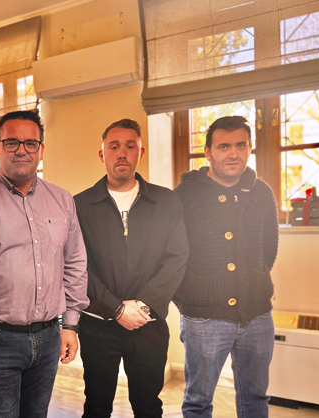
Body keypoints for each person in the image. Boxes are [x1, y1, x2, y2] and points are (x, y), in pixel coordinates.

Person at [0, 110, 88, 418]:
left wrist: (70, 324)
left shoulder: (62, 199)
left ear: (41, 150)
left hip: (49, 337)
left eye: (30, 143)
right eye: (11, 142)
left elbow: (75, 263)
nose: (22, 150)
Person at [74, 119, 188, 418]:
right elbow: (77, 266)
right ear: (102, 154)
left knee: (148, 406)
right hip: (98, 324)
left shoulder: (165, 201)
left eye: (130, 146)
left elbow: (177, 258)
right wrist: (116, 309)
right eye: (114, 147)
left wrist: (142, 306)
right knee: (96, 406)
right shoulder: (80, 205)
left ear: (141, 152)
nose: (122, 153)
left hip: (148, 324)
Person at [174, 115, 279, 418]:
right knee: (198, 401)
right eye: (223, 147)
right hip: (203, 318)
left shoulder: (262, 192)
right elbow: (171, 254)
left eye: (240, 145)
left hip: (257, 315)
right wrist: (188, 297)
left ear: (249, 148)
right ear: (207, 152)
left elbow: (268, 249)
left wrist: (254, 279)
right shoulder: (184, 195)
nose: (233, 153)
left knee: (256, 397)